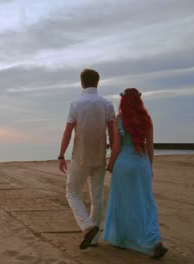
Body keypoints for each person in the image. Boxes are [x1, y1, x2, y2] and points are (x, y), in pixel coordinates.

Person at [103, 88, 168, 259]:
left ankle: (121, 239)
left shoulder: (119, 120)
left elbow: (116, 147)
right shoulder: (146, 120)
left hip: (123, 166)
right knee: (146, 204)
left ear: (123, 102)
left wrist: (110, 165)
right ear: (140, 101)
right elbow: (150, 147)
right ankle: (155, 239)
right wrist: (149, 167)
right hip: (141, 164)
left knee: (122, 203)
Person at [58, 69, 115, 250]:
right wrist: (114, 156)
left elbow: (68, 132)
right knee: (96, 196)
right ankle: (94, 239)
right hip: (99, 156)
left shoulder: (76, 104)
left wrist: (61, 155)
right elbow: (113, 134)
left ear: (82, 83)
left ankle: (87, 226)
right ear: (97, 82)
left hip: (80, 157)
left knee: (72, 192)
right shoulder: (107, 104)